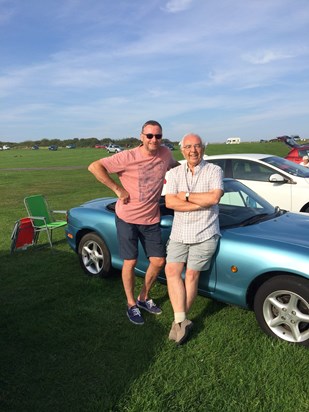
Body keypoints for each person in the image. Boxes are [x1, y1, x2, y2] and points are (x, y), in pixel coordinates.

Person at [88, 120, 178, 325]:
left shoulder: (165, 154)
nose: (154, 139)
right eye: (149, 136)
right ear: (141, 136)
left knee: (158, 261)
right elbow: (95, 166)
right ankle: (131, 304)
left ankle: (143, 298)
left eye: (158, 136)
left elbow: (175, 167)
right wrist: (117, 189)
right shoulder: (127, 157)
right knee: (130, 262)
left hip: (151, 218)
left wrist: (194, 170)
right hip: (127, 218)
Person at [164, 133, 224, 344]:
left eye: (197, 146)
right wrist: (202, 202)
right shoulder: (174, 173)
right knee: (171, 270)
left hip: (205, 232)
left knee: (190, 275)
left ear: (203, 148)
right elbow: (170, 202)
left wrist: (187, 196)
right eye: (188, 146)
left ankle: (178, 322)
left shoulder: (214, 170)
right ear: (182, 150)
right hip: (179, 232)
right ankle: (181, 320)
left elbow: (214, 197)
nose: (193, 150)